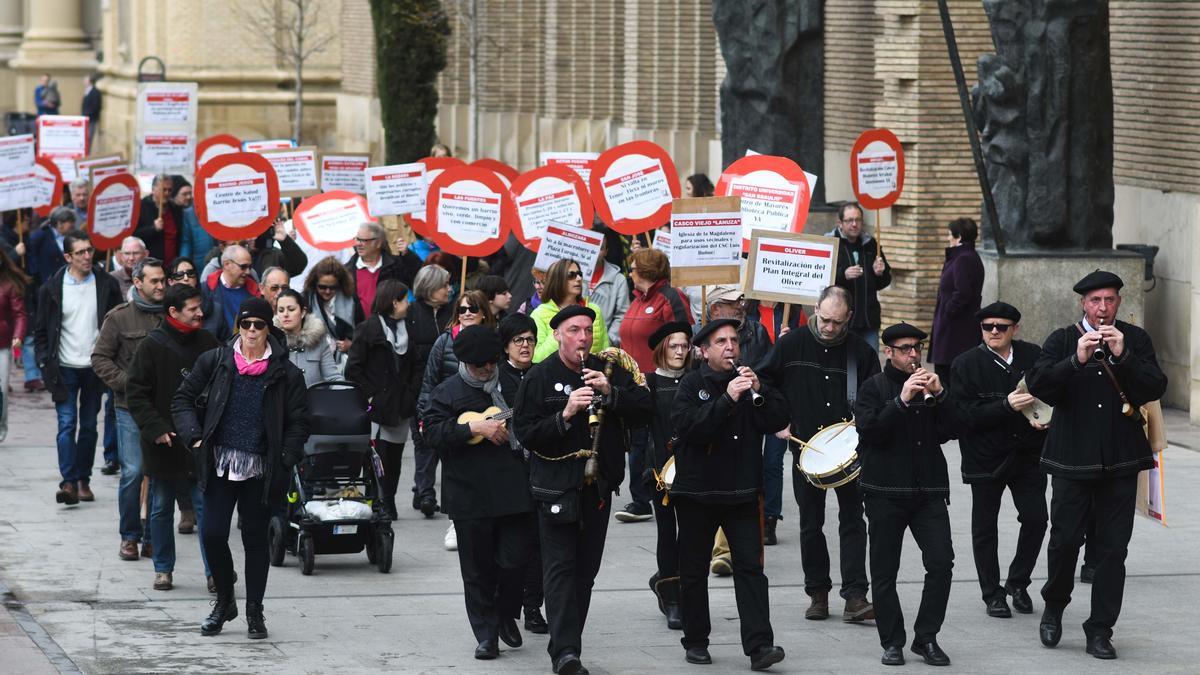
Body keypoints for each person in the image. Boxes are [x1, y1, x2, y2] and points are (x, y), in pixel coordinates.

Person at [1026, 271, 1167, 660]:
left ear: (1119, 302)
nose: (1103, 308)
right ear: (1083, 304)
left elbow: (1154, 387)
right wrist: (1076, 359)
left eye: (1109, 300)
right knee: (1065, 541)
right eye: (1095, 301)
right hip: (1072, 460)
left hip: (1120, 462)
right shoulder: (1061, 339)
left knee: (1112, 550)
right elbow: (1039, 385)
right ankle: (1054, 606)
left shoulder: (1135, 340)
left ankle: (1101, 629)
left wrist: (1124, 356)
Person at [513, 305, 652, 675]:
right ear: (558, 334)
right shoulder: (540, 377)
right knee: (559, 569)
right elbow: (525, 432)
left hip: (598, 488)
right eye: (574, 330)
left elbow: (646, 409)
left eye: (588, 330)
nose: (583, 338)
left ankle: (564, 645)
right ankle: (567, 655)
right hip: (556, 488)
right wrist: (565, 415)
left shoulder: (607, 369)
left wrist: (612, 393)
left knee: (584, 573)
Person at [171, 297, 310, 640]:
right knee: (213, 534)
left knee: (255, 541)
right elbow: (182, 399)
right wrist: (195, 439)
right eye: (245, 324)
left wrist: (286, 457)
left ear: (268, 328)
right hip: (220, 463)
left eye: (258, 325)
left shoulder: (285, 372)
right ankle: (225, 601)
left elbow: (300, 421)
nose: (250, 331)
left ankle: (254, 612)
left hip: (261, 468)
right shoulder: (217, 360)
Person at [666, 318, 788, 670]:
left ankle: (760, 646)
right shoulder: (691, 385)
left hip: (743, 493)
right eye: (721, 341)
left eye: (734, 340)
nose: (730, 347)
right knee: (693, 571)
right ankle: (696, 640)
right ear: (704, 351)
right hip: (697, 494)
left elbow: (779, 419)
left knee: (751, 570)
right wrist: (728, 398)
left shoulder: (751, 385)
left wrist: (760, 389)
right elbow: (693, 428)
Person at [760, 286, 878, 622]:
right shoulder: (791, 344)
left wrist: (865, 418)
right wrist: (777, 420)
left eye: (837, 323)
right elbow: (765, 385)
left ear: (849, 319)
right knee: (811, 524)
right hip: (806, 448)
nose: (828, 327)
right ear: (815, 309)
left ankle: (856, 595)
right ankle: (818, 593)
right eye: (824, 319)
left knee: (854, 521)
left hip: (849, 452)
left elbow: (875, 394)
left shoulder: (860, 353)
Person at [423, 325, 534, 661]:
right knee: (476, 569)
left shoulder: (514, 385)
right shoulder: (448, 391)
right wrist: (473, 428)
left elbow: (535, 417)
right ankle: (486, 634)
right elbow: (432, 432)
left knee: (515, 560)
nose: (488, 369)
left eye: (492, 362)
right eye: (480, 365)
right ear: (466, 363)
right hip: (469, 493)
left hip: (513, 488)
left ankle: (504, 611)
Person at [854, 322, 957, 667]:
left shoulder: (932, 386)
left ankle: (926, 637)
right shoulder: (873, 388)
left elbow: (955, 429)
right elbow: (870, 432)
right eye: (904, 349)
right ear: (889, 352)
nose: (913, 355)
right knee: (884, 571)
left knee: (942, 563)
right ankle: (892, 641)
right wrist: (901, 400)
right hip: (884, 491)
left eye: (917, 348)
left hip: (928, 490)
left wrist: (941, 396)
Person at [950, 301, 1048, 619]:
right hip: (985, 457)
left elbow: (1052, 393)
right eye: (987, 326)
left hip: (1028, 454)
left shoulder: (1033, 356)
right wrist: (1005, 406)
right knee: (984, 528)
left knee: (1036, 519)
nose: (994, 331)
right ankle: (992, 593)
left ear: (1014, 329)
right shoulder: (965, 364)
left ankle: (1017, 583)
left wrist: (1046, 418)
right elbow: (962, 416)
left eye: (1001, 327)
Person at [126, 283, 219, 592]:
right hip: (163, 444)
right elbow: (136, 394)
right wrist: (156, 428)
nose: (200, 313)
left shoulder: (209, 342)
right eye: (192, 309)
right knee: (161, 508)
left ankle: (214, 571)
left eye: (200, 307)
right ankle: (163, 569)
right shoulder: (151, 347)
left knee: (206, 510)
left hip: (199, 443)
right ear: (174, 312)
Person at [36, 231, 123, 505]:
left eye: (90, 250)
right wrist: (43, 362)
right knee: (66, 424)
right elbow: (40, 331)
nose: (88, 256)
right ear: (68, 257)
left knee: (88, 425)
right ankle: (69, 482)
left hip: (95, 366)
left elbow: (117, 325)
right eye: (81, 252)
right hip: (63, 367)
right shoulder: (51, 288)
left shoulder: (107, 284)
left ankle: (84, 479)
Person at [92, 257, 166, 561]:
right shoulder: (119, 317)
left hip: (164, 408)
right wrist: (127, 383)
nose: (162, 286)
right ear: (138, 283)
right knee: (133, 472)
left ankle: (154, 536)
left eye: (164, 280)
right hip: (128, 407)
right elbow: (99, 358)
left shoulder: (172, 314)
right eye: (155, 281)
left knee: (160, 475)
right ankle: (130, 536)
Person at [614, 248, 692, 525]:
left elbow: (684, 334)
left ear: (644, 271)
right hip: (635, 383)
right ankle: (641, 497)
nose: (629, 273)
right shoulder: (636, 300)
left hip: (662, 384)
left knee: (649, 443)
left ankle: (647, 495)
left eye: (632, 268)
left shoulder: (670, 297)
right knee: (636, 441)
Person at [418, 289, 496, 546]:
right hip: (449, 411)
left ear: (484, 313)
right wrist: (424, 414)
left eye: (472, 308)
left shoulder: (494, 342)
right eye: (462, 309)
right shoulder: (444, 341)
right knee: (454, 468)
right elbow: (430, 381)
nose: (467, 313)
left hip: (487, 410)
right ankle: (454, 519)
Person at [345, 280, 420, 520]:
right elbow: (353, 369)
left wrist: (411, 393)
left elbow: (417, 366)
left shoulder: (410, 329)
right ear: (394, 302)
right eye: (405, 299)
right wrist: (372, 396)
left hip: (401, 406)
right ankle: (378, 500)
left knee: (395, 459)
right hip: (376, 408)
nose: (408, 304)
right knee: (378, 457)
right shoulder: (368, 329)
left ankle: (389, 499)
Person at [495, 313, 548, 634]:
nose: (526, 345)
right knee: (513, 548)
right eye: (519, 340)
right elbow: (494, 414)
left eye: (530, 339)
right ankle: (507, 608)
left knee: (539, 544)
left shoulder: (542, 374)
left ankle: (533, 607)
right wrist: (522, 410)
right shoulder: (497, 376)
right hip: (509, 470)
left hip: (540, 467)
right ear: (506, 346)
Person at [644, 321, 691, 631]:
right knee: (665, 531)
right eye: (673, 345)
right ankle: (671, 596)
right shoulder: (647, 384)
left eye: (684, 345)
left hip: (693, 471)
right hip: (660, 472)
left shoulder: (696, 381)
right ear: (662, 349)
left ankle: (680, 589)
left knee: (689, 534)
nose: (679, 350)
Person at [407, 264, 455, 517]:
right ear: (429, 288)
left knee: (444, 443)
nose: (449, 289)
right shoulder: (412, 313)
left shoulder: (455, 311)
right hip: (420, 388)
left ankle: (428, 491)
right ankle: (425, 492)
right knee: (424, 442)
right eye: (444, 285)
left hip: (448, 388)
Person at [931, 217, 984, 390]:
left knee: (949, 380)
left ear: (958, 236)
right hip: (952, 331)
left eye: (949, 234)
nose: (948, 238)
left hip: (956, 333)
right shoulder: (962, 257)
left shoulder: (964, 259)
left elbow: (963, 293)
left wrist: (948, 312)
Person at [829, 202, 891, 349]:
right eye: (850, 220)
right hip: (840, 321)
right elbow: (821, 279)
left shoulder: (871, 244)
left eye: (858, 220)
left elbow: (884, 281)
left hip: (868, 320)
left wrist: (880, 273)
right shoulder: (831, 244)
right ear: (840, 223)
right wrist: (843, 275)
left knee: (870, 366)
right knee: (843, 365)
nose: (855, 224)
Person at [529, 259, 609, 363]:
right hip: (556, 377)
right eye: (571, 275)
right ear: (557, 279)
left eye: (579, 274)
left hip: (591, 376)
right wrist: (561, 329)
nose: (579, 278)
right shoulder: (539, 314)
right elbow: (536, 358)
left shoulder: (594, 310)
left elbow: (605, 353)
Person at [345, 222, 422, 312]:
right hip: (361, 325)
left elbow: (418, 281)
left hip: (394, 324)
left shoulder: (395, 265)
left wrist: (407, 255)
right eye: (357, 239)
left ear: (378, 243)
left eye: (364, 240)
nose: (359, 244)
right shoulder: (347, 271)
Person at [304, 255, 366, 365]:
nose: (327, 291)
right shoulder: (306, 300)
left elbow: (362, 330)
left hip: (345, 361)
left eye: (333, 287)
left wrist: (352, 344)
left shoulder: (351, 299)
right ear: (315, 284)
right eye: (322, 287)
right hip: (314, 359)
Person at [273, 289, 338, 387]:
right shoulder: (271, 340)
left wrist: (346, 394)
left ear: (303, 312)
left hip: (316, 400)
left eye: (291, 309)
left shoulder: (318, 339)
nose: (285, 314)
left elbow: (333, 378)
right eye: (281, 310)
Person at [201, 245, 260, 341]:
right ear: (227, 264)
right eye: (243, 267)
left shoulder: (255, 291)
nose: (248, 272)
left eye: (250, 267)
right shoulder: (206, 290)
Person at [0, 248, 29, 441]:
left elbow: (20, 314)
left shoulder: (8, 285)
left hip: (2, 344)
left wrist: (18, 335)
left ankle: (1, 424)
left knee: (1, 388)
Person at [585, 234, 631, 348]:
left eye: (600, 248)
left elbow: (622, 315)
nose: (595, 252)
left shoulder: (618, 279)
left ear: (606, 251)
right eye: (592, 246)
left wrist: (608, 341)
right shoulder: (573, 275)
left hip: (604, 346)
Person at [135, 175, 182, 263]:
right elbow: (134, 235)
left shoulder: (175, 208)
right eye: (163, 190)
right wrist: (153, 229)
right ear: (153, 189)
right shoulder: (140, 207)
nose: (167, 193)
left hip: (172, 263)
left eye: (170, 190)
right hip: (150, 263)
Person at [81, 74, 101, 144]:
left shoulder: (95, 92)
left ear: (89, 81)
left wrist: (87, 114)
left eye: (85, 80)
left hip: (91, 119)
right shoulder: (87, 90)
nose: (84, 82)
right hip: (85, 117)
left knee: (89, 137)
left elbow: (96, 106)